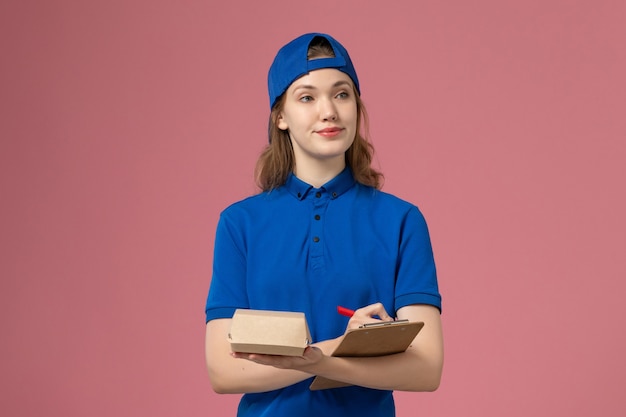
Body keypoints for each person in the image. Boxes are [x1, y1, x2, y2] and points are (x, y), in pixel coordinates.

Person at [204, 32, 443, 417]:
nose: (328, 111)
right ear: (280, 116)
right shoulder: (239, 224)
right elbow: (223, 370)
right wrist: (337, 349)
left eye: (342, 93)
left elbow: (426, 367)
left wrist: (313, 361)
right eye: (307, 97)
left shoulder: (401, 221)